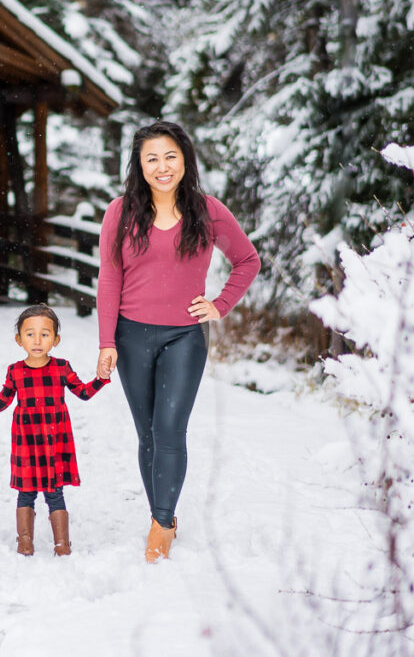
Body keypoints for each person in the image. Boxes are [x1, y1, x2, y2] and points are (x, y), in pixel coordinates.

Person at [96, 121, 260, 563]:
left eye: (170, 156)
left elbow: (247, 259)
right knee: (146, 433)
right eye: (152, 158)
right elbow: (110, 278)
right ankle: (160, 514)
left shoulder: (207, 210)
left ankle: (162, 523)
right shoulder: (121, 212)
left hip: (185, 337)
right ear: (140, 165)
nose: (162, 166)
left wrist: (220, 304)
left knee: (169, 430)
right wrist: (106, 341)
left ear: (185, 159)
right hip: (131, 336)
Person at [0, 304, 110, 557]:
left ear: (56, 340)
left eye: (45, 334)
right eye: (30, 334)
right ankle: (25, 540)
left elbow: (83, 393)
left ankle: (62, 543)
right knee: (26, 491)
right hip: (26, 440)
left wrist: (101, 378)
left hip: (54, 440)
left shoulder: (62, 367)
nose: (37, 340)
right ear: (19, 339)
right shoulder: (15, 370)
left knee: (54, 491)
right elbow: (3, 400)